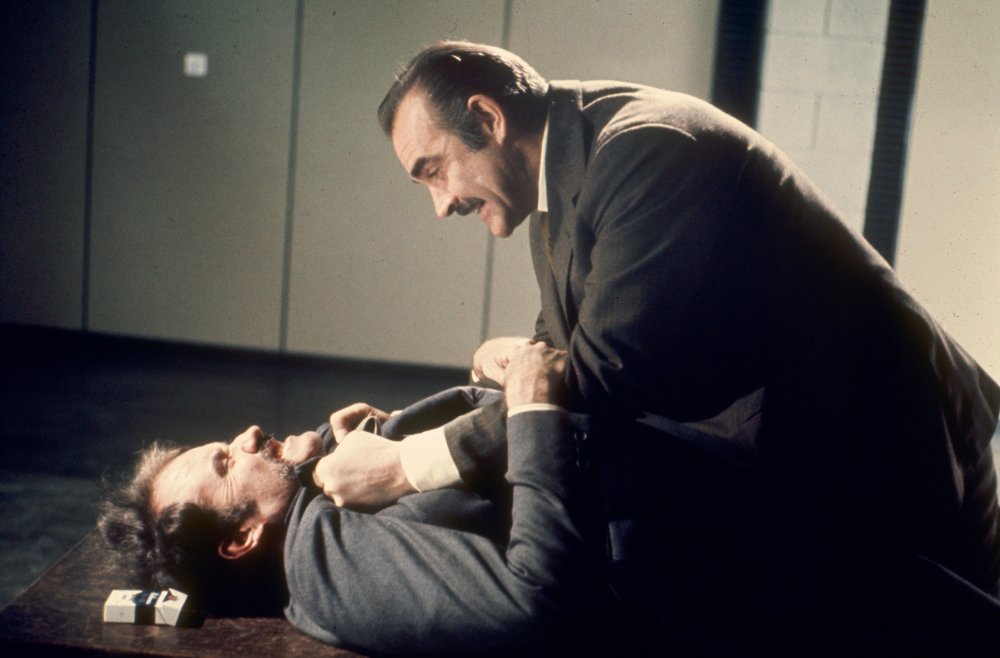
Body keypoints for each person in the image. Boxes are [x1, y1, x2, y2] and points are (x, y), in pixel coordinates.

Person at [317, 40, 1000, 653]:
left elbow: (602, 372)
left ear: (488, 118)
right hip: (810, 444)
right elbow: (567, 345)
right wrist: (520, 361)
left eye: (435, 170)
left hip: (888, 443)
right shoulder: (565, 175)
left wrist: (405, 464)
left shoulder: (647, 151)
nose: (440, 204)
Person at [99, 343, 620, 655]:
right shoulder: (323, 567)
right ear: (241, 537)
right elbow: (534, 600)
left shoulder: (316, 507)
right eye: (228, 463)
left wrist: (338, 449)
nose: (249, 435)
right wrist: (533, 410)